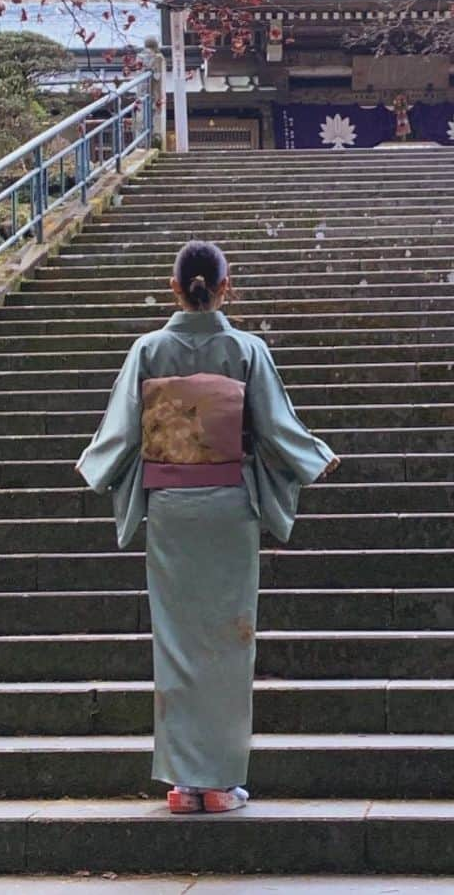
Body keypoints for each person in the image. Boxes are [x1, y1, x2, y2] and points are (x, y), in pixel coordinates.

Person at [76, 239, 339, 814]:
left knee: (174, 642)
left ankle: (181, 784)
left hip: (171, 508)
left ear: (175, 288)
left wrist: (98, 469)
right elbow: (274, 427)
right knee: (228, 641)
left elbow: (120, 435)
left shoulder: (147, 350)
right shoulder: (246, 349)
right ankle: (218, 783)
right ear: (227, 286)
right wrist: (313, 455)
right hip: (228, 507)